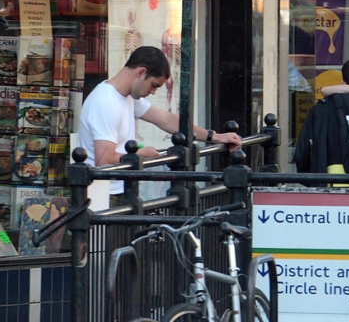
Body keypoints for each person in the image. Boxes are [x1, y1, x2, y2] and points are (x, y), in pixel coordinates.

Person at [78, 46, 241, 204]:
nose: (153, 92)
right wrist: (141, 153)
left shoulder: (125, 97)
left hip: (117, 191)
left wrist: (214, 137)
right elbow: (104, 160)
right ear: (141, 72)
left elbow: (166, 119)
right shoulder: (106, 103)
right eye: (154, 85)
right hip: (106, 196)